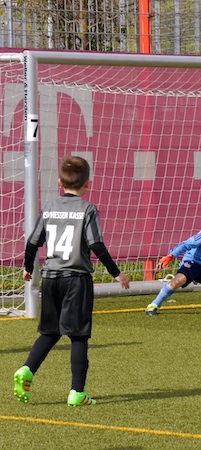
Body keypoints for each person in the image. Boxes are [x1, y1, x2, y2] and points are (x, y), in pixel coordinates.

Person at [14, 155, 131, 407]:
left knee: (50, 331)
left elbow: (33, 242)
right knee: (78, 336)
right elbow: (96, 244)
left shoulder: (48, 207)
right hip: (76, 280)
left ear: (59, 182)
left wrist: (27, 268)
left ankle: (27, 369)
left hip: (50, 278)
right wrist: (116, 273)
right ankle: (77, 392)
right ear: (87, 183)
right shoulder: (87, 209)